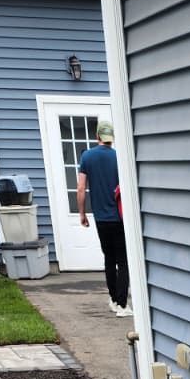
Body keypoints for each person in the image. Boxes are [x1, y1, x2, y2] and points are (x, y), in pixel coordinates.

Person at [77, 121, 130, 316]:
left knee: (109, 258)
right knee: (123, 260)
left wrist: (82, 213)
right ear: (111, 138)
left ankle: (114, 300)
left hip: (101, 218)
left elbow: (81, 188)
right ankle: (123, 306)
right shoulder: (118, 157)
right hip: (119, 217)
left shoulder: (87, 157)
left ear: (97, 136)